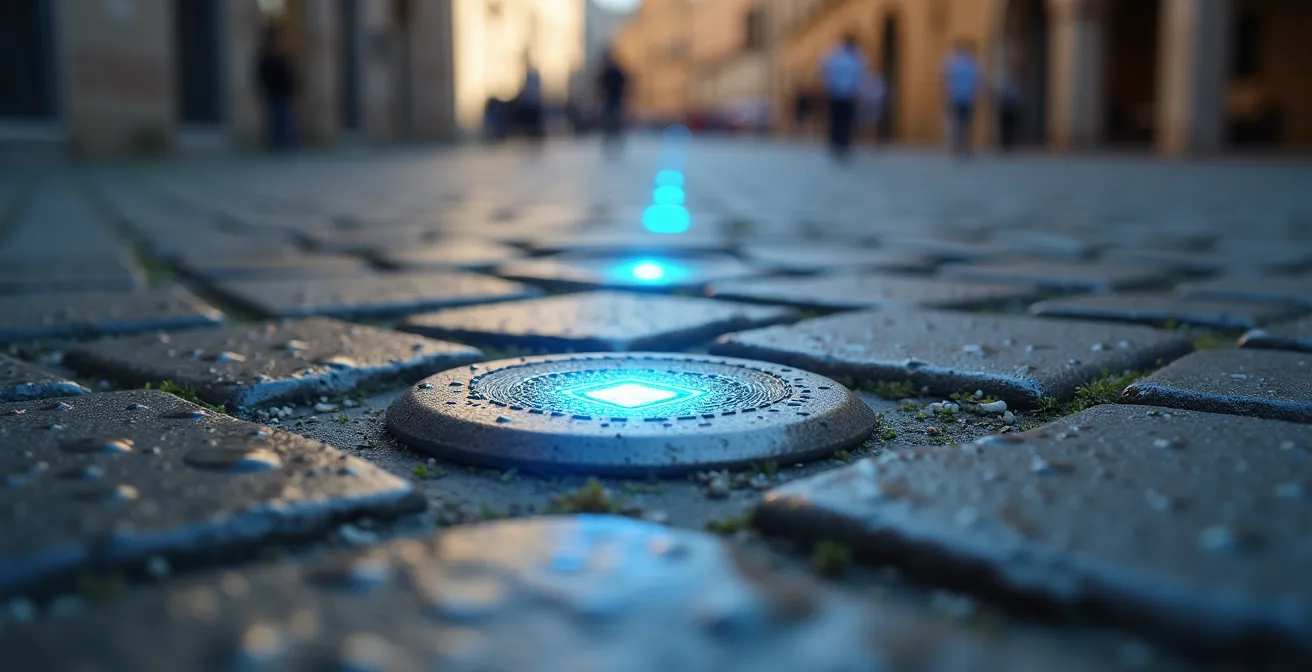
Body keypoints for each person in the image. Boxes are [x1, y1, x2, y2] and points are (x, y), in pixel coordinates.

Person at [820, 35, 867, 161]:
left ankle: (835, 143)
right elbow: (860, 75)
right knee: (846, 120)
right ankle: (844, 143)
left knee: (835, 119)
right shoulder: (856, 57)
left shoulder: (834, 56)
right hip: (849, 93)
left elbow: (825, 71)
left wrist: (827, 86)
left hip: (835, 93)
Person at [255, 24, 297, 152]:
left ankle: (286, 144)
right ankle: (278, 145)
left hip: (284, 93)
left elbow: (290, 74)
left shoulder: (282, 56)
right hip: (274, 93)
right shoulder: (267, 57)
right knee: (277, 120)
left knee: (286, 120)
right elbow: (263, 75)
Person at [941, 39, 983, 157]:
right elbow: (977, 82)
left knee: (957, 123)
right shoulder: (972, 64)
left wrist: (946, 96)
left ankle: (957, 147)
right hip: (967, 98)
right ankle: (965, 146)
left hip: (957, 98)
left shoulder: (953, 63)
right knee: (966, 124)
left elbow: (947, 81)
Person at [597, 48, 628, 157]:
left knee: (614, 122)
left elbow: (625, 84)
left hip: (615, 100)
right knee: (610, 122)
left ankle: (615, 142)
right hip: (611, 100)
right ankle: (610, 143)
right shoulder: (607, 72)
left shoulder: (613, 71)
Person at [995, 55, 1022, 152]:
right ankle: (1006, 143)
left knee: (1009, 126)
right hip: (1006, 105)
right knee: (1006, 126)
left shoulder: (1011, 78)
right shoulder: (1003, 77)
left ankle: (1009, 143)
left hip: (1009, 105)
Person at [517, 65, 545, 150]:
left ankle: (534, 142)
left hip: (532, 104)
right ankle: (531, 141)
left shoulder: (533, 75)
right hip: (529, 104)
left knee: (533, 125)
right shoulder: (530, 75)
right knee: (529, 125)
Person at [857, 67, 887, 144]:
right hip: (864, 104)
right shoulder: (862, 80)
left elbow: (881, 93)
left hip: (873, 105)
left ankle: (871, 140)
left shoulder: (878, 81)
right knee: (862, 123)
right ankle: (862, 139)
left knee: (872, 123)